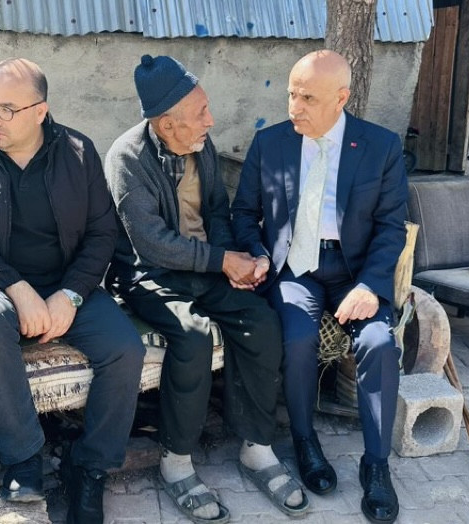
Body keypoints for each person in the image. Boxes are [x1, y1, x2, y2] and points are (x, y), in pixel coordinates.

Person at [0, 58, 145, 524]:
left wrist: (71, 295)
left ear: (40, 111)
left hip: (65, 281)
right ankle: (23, 459)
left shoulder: (78, 152)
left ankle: (89, 468)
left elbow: (101, 234)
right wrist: (17, 288)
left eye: (7, 109)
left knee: (125, 348)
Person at [105, 54, 307, 523]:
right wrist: (222, 261)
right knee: (193, 337)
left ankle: (257, 448)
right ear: (166, 123)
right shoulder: (126, 158)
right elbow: (151, 243)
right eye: (200, 113)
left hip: (205, 266)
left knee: (260, 322)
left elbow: (217, 209)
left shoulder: (201, 145)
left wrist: (233, 262)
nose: (210, 120)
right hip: (149, 275)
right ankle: (176, 462)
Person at [231, 50, 407, 524]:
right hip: (295, 269)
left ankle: (376, 465)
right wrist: (258, 254)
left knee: (379, 343)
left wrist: (370, 285)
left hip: (355, 273)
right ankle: (305, 441)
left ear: (341, 98)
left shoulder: (380, 146)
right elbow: (244, 213)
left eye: (307, 98)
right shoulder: (270, 143)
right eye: (292, 93)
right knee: (297, 338)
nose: (295, 106)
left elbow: (391, 227)